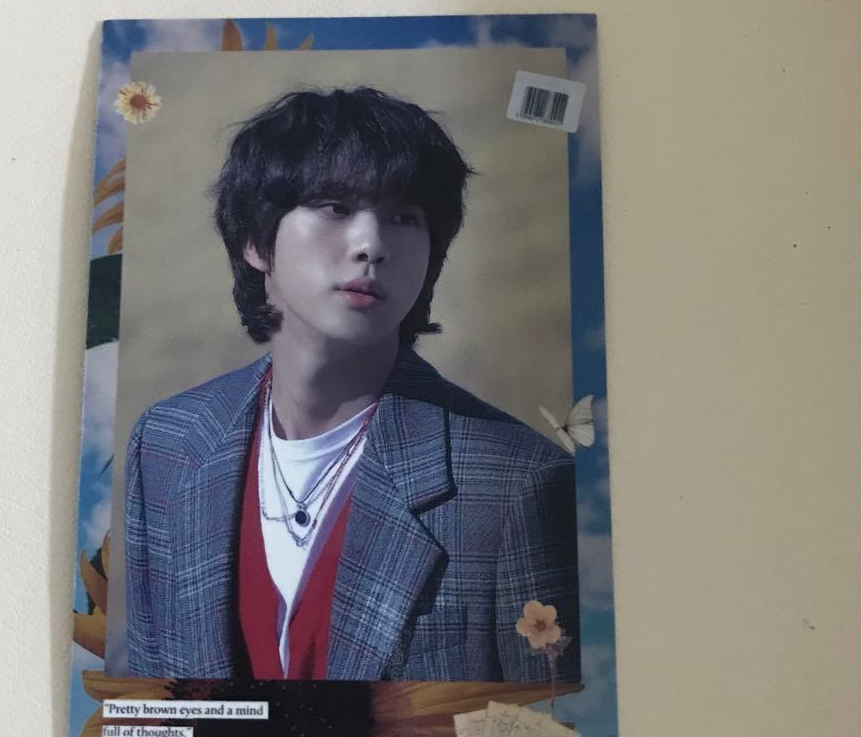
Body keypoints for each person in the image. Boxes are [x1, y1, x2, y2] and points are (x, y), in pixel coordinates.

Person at [123, 86, 579, 683]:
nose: (372, 246)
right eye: (335, 207)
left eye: (404, 217)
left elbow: (545, 729)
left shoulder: (517, 482)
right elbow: (154, 713)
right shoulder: (167, 444)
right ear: (256, 241)